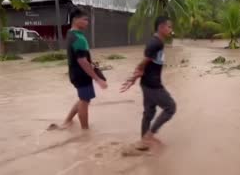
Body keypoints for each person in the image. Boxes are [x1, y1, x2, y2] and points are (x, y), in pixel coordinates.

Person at [121, 16, 177, 148]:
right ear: (161, 27)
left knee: (149, 113)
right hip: (153, 85)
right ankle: (149, 136)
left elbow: (147, 62)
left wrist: (136, 76)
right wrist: (134, 75)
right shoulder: (156, 43)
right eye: (169, 26)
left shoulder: (156, 42)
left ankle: (143, 143)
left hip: (147, 83)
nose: (171, 29)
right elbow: (144, 61)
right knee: (171, 107)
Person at [61, 8, 108, 130]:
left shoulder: (71, 34)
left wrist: (91, 64)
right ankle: (85, 132)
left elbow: (82, 59)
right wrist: (98, 79)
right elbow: (82, 61)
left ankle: (67, 121)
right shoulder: (78, 38)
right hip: (81, 75)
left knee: (83, 99)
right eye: (85, 19)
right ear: (75, 20)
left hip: (75, 73)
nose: (87, 22)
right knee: (85, 101)